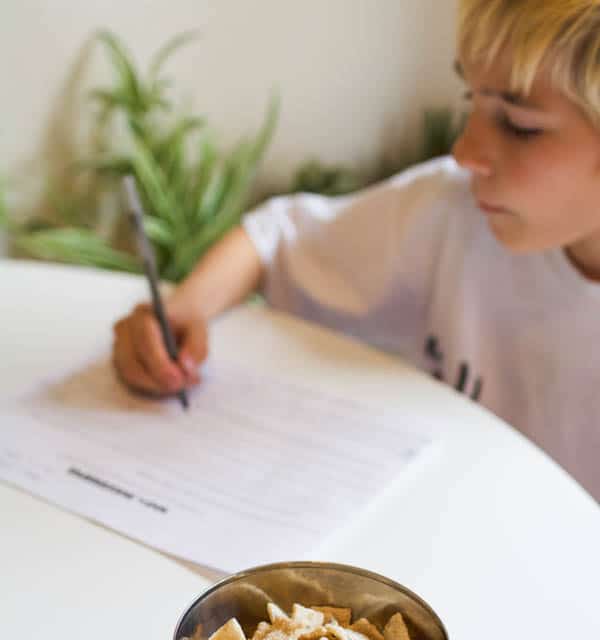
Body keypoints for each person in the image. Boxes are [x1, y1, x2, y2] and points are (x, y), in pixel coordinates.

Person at [112, 0, 600, 502]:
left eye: (519, 125)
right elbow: (273, 241)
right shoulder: (454, 213)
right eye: (470, 101)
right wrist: (184, 310)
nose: (465, 151)